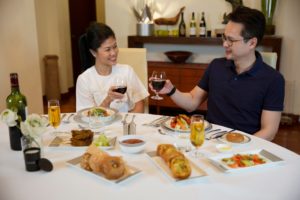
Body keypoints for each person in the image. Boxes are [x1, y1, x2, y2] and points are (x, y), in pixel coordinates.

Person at [150, 6, 285, 141]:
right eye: (224, 38)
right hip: (209, 142)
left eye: (231, 40)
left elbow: (269, 131)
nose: (225, 44)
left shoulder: (273, 80)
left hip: (243, 148)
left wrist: (239, 147)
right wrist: (171, 90)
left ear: (252, 43)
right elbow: (191, 103)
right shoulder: (216, 66)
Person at [76, 22, 149, 113]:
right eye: (107, 49)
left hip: (125, 124)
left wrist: (127, 125)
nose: (113, 53)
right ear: (93, 52)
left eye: (115, 47)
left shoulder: (127, 71)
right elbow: (88, 117)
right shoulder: (84, 80)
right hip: (99, 126)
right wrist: (108, 99)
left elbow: (139, 104)